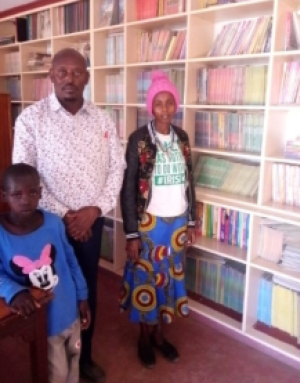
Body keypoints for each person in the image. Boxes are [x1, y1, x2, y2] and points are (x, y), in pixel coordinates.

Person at [12, 48, 125, 383]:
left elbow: (116, 168)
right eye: (61, 72)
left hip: (92, 223)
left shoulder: (103, 120)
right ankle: (49, 363)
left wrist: (94, 210)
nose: (69, 79)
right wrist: (67, 215)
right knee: (49, 290)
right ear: (51, 76)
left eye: (76, 72)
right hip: (46, 223)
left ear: (87, 77)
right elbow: (24, 177)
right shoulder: (31, 120)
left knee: (85, 288)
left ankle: (83, 355)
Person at [119, 71, 196, 368]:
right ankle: (143, 337)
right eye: (158, 103)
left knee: (168, 278)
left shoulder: (183, 138)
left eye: (169, 102)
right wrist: (131, 234)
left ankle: (160, 336)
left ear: (175, 105)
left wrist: (191, 221)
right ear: (151, 107)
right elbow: (129, 188)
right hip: (149, 224)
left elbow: (190, 180)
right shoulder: (139, 139)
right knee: (145, 279)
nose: (164, 108)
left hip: (176, 223)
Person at [0, 163, 91, 383]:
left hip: (69, 311)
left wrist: (82, 296)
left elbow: (70, 259)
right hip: (43, 323)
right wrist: (16, 291)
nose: (25, 200)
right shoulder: (2, 235)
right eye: (17, 194)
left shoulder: (53, 222)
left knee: (74, 358)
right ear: (4, 196)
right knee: (56, 373)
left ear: (41, 193)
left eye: (32, 193)